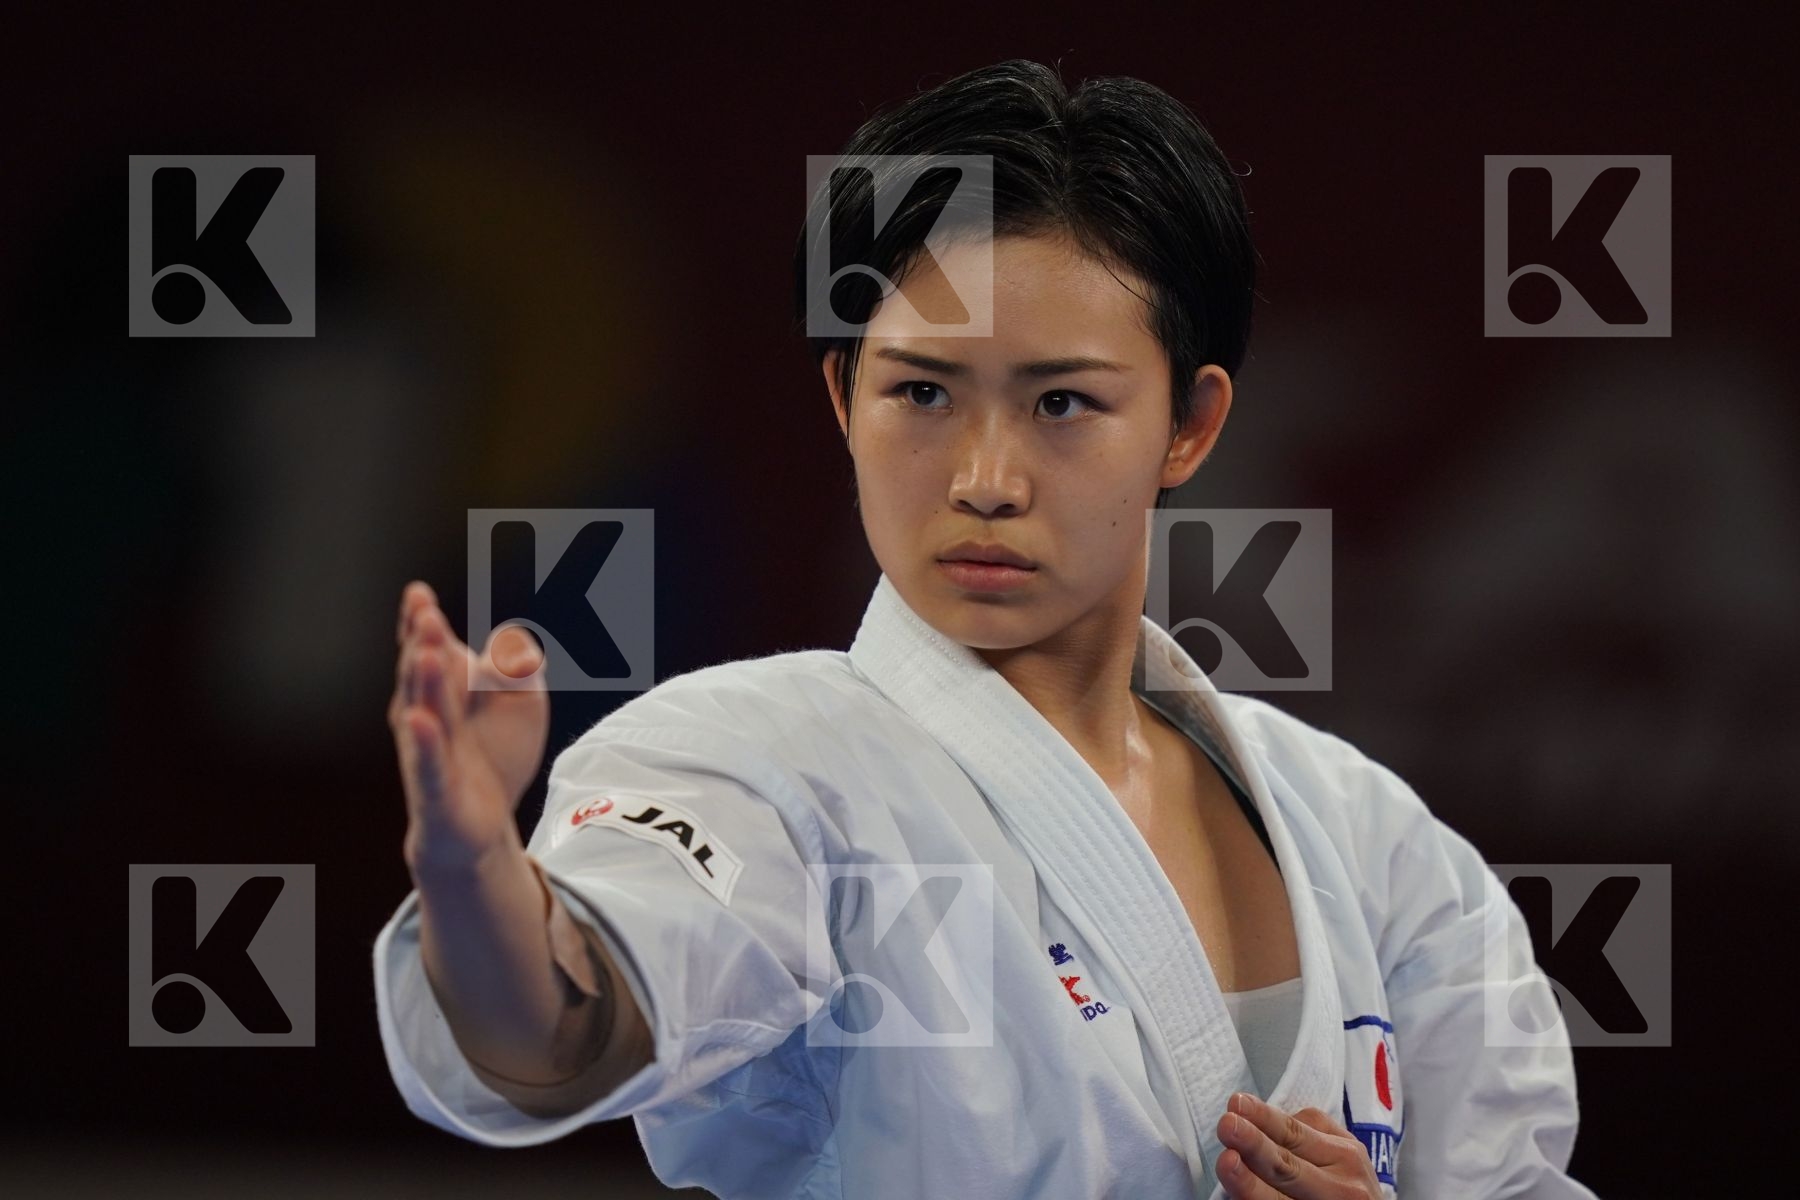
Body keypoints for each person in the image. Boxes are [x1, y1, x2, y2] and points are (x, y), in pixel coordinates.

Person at [373, 59, 1597, 1199]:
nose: (986, 479)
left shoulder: (1380, 851)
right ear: (846, 400)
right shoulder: (761, 763)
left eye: (1063, 401)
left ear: (1190, 423)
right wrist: (477, 880)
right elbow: (557, 1035)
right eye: (921, 393)